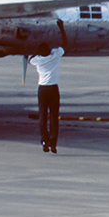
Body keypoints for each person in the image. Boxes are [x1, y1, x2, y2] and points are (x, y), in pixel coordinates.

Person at [27, 23, 66, 152]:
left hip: (42, 89)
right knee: (54, 117)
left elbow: (29, 57)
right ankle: (53, 143)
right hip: (53, 89)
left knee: (43, 116)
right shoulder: (55, 55)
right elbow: (64, 43)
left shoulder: (37, 60)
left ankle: (44, 140)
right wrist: (61, 28)